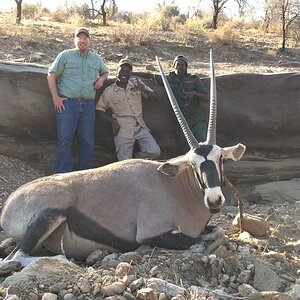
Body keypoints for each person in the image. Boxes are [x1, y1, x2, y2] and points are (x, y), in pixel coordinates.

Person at [47, 27, 109, 173]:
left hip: (88, 106)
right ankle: (63, 175)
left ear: (90, 41)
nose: (82, 40)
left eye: (85, 38)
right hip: (68, 105)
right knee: (64, 141)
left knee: (87, 142)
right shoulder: (65, 56)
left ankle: (85, 175)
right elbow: (51, 75)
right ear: (75, 40)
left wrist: (101, 78)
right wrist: (55, 97)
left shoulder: (96, 58)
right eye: (79, 38)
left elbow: (106, 72)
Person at [136, 55, 209, 153]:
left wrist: (194, 94)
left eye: (183, 65)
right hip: (181, 123)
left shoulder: (194, 79)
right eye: (177, 65)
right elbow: (150, 76)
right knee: (187, 150)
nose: (180, 67)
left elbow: (206, 98)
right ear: (173, 66)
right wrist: (130, 73)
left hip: (196, 120)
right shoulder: (168, 80)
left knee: (205, 145)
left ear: (186, 67)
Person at [96, 58, 161, 161]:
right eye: (122, 71)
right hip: (123, 130)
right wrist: (112, 121)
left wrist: (143, 89)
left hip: (140, 127)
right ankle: (130, 162)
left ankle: (136, 159)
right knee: (124, 163)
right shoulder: (109, 91)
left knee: (155, 151)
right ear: (116, 72)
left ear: (131, 73)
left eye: (127, 72)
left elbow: (156, 97)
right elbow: (99, 110)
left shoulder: (136, 83)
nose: (124, 74)